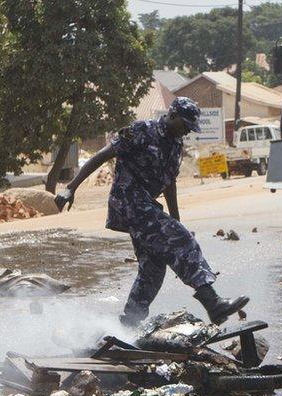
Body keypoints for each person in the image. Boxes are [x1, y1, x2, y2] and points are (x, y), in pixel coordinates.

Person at [55, 97, 248, 326]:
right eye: (185, 125)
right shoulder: (141, 130)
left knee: (153, 270)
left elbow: (169, 183)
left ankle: (128, 325)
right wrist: (70, 188)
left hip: (147, 206)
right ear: (172, 115)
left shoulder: (176, 144)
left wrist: (176, 219)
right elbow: (102, 155)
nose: (186, 131)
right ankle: (213, 304)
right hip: (128, 202)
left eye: (190, 128)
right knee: (182, 241)